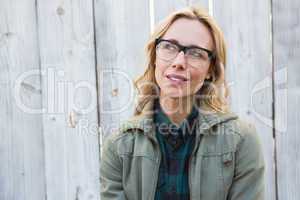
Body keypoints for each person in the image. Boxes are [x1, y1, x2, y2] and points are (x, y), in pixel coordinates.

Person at [100, 6, 265, 200]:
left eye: (195, 53)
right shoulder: (118, 146)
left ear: (210, 70)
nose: (179, 61)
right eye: (169, 46)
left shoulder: (241, 141)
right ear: (155, 57)